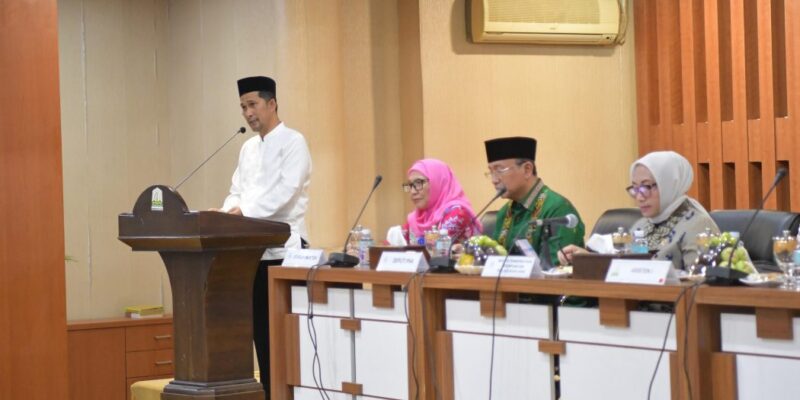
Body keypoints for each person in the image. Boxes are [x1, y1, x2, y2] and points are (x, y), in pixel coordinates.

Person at [212, 76, 312, 394]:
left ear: (272, 103)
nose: (247, 113)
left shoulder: (294, 142)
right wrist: (229, 213)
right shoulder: (248, 148)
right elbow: (236, 190)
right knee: (262, 338)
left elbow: (286, 191)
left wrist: (244, 212)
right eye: (243, 107)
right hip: (251, 254)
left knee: (283, 337)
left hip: (285, 253)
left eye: (252, 104)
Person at [559, 151, 719, 270]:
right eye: (635, 188)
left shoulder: (698, 225)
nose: (639, 197)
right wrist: (586, 259)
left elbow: (701, 283)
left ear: (670, 184)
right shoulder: (643, 226)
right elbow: (628, 267)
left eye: (646, 186)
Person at [484, 136, 585, 266]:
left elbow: (556, 268)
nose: (494, 180)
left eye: (500, 170)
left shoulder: (558, 209)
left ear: (527, 169)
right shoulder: (505, 212)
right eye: (490, 172)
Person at [402, 158, 482, 245]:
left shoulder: (458, 213)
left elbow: (435, 244)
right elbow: (399, 240)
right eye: (410, 185)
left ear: (438, 181)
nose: (413, 192)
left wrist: (407, 241)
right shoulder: (418, 217)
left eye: (418, 183)